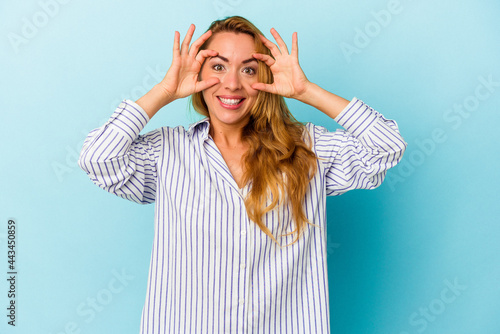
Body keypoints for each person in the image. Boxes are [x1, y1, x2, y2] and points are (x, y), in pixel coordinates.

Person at [79, 16, 406, 334]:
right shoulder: (167, 151)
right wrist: (164, 91)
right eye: (218, 66)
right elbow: (97, 159)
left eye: (248, 69)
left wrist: (307, 91)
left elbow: (387, 146)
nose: (232, 83)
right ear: (197, 75)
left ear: (265, 79)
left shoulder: (307, 149)